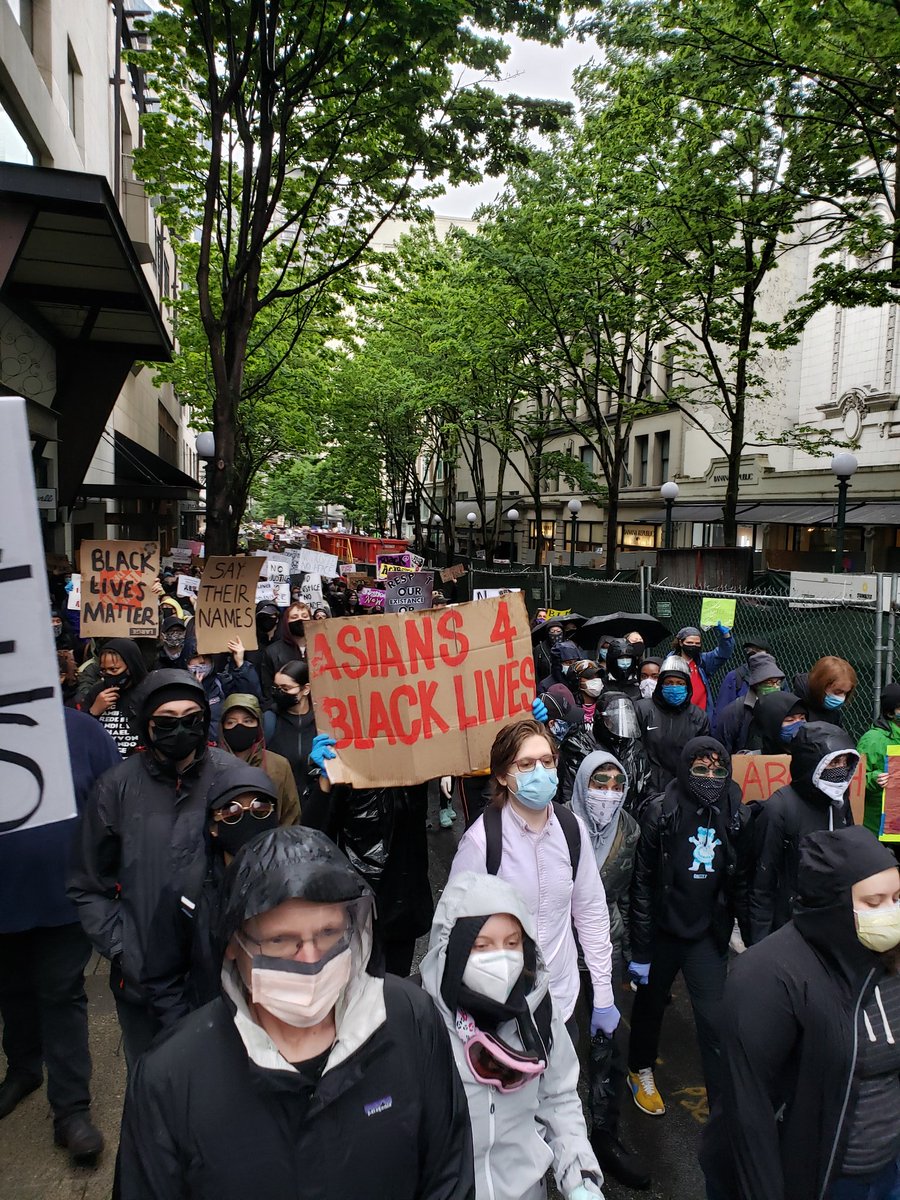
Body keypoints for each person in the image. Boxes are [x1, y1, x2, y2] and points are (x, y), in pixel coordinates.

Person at [119, 827, 476, 1200]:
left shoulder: (409, 1019)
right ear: (232, 945)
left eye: (328, 933)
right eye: (280, 940)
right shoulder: (171, 1077)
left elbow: (448, 1173)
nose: (311, 959)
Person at [700, 827, 900, 1200]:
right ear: (834, 905)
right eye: (874, 903)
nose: (891, 913)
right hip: (815, 1182)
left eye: (897, 898)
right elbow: (751, 1116)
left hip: (887, 1174)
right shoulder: (768, 977)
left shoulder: (889, 963)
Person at [68, 669, 232, 1070]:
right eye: (167, 721)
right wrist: (124, 947)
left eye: (192, 718)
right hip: (141, 978)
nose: (181, 729)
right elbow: (89, 884)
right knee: (150, 1078)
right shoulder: (115, 787)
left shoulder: (232, 779)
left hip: (221, 975)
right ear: (147, 726)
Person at [420, 872, 607, 1200]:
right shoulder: (418, 1021)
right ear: (454, 948)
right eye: (482, 945)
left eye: (511, 943)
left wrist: (579, 1178)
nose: (502, 958)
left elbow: (558, 1096)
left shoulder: (536, 1013)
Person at [448, 720, 617, 1044]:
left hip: (560, 1005)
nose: (540, 771)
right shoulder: (482, 842)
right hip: (502, 1011)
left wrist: (604, 992)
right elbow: (453, 930)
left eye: (547, 761)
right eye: (525, 764)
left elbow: (590, 910)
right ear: (501, 775)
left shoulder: (571, 829)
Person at [0, 708, 120, 1165]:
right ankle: (23, 1069)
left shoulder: (81, 730)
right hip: (3, 901)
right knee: (11, 991)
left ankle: (71, 1111)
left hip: (62, 900)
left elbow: (112, 803)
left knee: (61, 994)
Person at [627, 736, 748, 1115]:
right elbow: (642, 884)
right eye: (700, 769)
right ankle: (639, 1069)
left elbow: (739, 878)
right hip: (663, 930)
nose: (709, 777)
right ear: (684, 769)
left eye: (718, 770)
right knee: (649, 1007)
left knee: (715, 1019)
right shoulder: (661, 812)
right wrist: (642, 949)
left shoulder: (734, 812)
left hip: (705, 933)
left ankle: (722, 1098)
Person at [142, 763, 281, 1018]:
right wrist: (189, 1034)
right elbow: (162, 980)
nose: (247, 818)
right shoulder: (186, 892)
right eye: (232, 811)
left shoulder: (294, 885)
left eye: (260, 808)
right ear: (213, 826)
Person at [570, 753, 648, 1190]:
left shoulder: (630, 830)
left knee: (610, 1046)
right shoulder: (558, 826)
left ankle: (605, 1134)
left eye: (618, 784)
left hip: (607, 948)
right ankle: (561, 1138)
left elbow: (635, 892)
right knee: (559, 1044)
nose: (609, 792)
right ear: (583, 784)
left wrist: (637, 951)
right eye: (600, 782)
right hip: (559, 950)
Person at [310, 735, 434, 977]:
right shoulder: (343, 761)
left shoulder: (417, 758)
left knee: (392, 989)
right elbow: (313, 836)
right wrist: (325, 779)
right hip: (356, 910)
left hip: (403, 905)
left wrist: (524, 725)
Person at [748, 722, 859, 945]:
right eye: (833, 762)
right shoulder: (779, 808)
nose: (841, 768)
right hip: (790, 927)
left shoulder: (839, 801)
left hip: (833, 920)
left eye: (845, 762)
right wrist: (759, 944)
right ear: (811, 763)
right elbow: (761, 883)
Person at [556, 692, 652, 818]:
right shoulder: (579, 747)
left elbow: (643, 790)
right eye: (612, 720)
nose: (618, 725)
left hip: (624, 821)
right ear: (600, 718)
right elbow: (568, 791)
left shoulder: (635, 749)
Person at [218, 693, 301, 827]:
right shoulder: (213, 765)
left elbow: (290, 816)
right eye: (231, 722)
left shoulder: (279, 765)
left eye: (248, 721)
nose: (239, 727)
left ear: (259, 725)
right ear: (222, 727)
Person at [634, 654, 710, 793]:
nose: (674, 687)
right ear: (661, 684)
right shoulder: (642, 710)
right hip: (646, 788)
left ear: (687, 686)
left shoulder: (698, 717)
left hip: (682, 789)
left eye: (680, 684)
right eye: (669, 683)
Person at [264, 660, 319, 818]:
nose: (279, 692)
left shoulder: (322, 722)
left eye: (286, 688)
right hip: (281, 812)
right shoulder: (269, 721)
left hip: (317, 810)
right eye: (276, 687)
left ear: (306, 689)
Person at [79, 637, 149, 757]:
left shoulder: (148, 691)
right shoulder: (97, 692)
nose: (109, 675)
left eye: (114, 669)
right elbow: (81, 735)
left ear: (131, 666)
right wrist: (93, 712)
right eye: (104, 671)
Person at [186, 636, 262, 744]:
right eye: (196, 656)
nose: (202, 661)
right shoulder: (178, 688)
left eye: (206, 656)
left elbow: (250, 699)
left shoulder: (222, 683)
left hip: (222, 750)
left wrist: (241, 664)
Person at [714, 652, 786, 754]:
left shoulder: (785, 710)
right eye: (769, 682)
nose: (775, 687)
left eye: (778, 682)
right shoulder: (735, 711)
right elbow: (722, 749)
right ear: (757, 684)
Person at [858, 683, 900, 835]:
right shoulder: (872, 740)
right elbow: (856, 778)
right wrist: (875, 779)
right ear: (890, 713)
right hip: (877, 825)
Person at [710, 634, 772, 731]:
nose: (753, 655)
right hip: (739, 733)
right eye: (749, 651)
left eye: (758, 651)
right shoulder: (735, 676)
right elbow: (721, 711)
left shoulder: (777, 677)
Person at [672, 624, 734, 712]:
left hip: (702, 716)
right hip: (678, 714)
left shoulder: (703, 662)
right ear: (681, 643)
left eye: (697, 643)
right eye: (689, 643)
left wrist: (726, 635)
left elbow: (724, 652)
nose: (693, 646)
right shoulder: (670, 662)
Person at [260, 600, 311, 699]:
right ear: (286, 622)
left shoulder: (322, 648)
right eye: (294, 617)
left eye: (305, 616)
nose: (300, 620)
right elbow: (267, 688)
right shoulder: (272, 651)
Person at [793, 656, 858, 727]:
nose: (841, 698)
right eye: (837, 692)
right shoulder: (793, 707)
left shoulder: (834, 713)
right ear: (820, 684)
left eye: (846, 693)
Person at [747, 690, 808, 754]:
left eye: (802, 718)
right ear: (770, 725)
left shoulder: (813, 755)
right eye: (790, 720)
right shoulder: (750, 760)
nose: (799, 724)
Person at [244, 600, 281, 676]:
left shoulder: (284, 643)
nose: (266, 619)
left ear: (277, 618)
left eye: (271, 615)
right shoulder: (250, 646)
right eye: (262, 616)